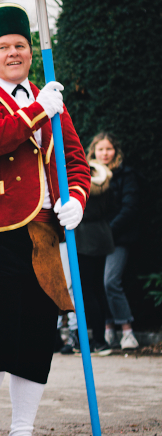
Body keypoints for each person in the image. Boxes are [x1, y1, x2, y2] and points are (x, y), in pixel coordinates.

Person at [0, 2, 89, 436]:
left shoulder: (51, 101)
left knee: (37, 331)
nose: (14, 53)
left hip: (43, 230)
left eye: (21, 46)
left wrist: (76, 199)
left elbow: (75, 158)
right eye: (4, 47)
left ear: (31, 53)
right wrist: (36, 110)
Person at [90, 133, 139, 350]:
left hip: (117, 237)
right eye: (100, 149)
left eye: (108, 149)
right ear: (93, 152)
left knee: (111, 281)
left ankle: (127, 331)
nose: (105, 153)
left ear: (115, 151)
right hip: (95, 239)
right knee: (98, 285)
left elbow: (130, 207)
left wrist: (109, 229)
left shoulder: (126, 175)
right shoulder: (88, 175)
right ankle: (108, 330)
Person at [72, 155, 115, 354]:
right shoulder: (105, 179)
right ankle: (101, 338)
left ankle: (94, 340)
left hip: (85, 240)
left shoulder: (80, 181)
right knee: (97, 288)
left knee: (86, 290)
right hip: (102, 237)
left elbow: (80, 212)